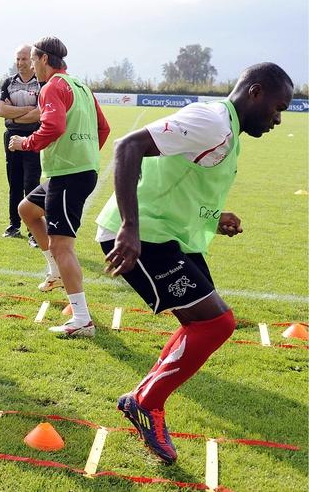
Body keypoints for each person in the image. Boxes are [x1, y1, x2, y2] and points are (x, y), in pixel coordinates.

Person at [97, 63, 293, 464]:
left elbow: (180, 177)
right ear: (255, 92)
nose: (277, 119)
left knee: (202, 323)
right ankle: (146, 403)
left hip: (170, 236)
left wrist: (214, 217)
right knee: (216, 323)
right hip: (143, 237)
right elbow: (127, 147)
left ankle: (142, 399)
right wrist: (129, 228)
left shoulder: (225, 131)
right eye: (278, 108)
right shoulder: (212, 122)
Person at [8, 36, 110, 337]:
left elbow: (53, 127)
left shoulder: (52, 86)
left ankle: (81, 318)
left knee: (63, 246)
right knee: (26, 209)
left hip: (69, 174)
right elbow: (103, 128)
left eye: (34, 60)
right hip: (73, 171)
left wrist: (24, 143)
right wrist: (87, 155)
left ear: (42, 59)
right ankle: (54, 271)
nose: (33, 67)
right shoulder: (80, 86)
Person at [0, 44, 41, 240]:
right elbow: (1, 112)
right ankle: (14, 225)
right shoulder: (8, 83)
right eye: (18, 59)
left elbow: (39, 114)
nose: (20, 63)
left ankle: (34, 232)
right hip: (12, 137)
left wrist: (13, 114)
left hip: (33, 138)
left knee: (31, 184)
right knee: (14, 183)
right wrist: (27, 111)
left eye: (24, 59)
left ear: (32, 61)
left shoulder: (41, 83)